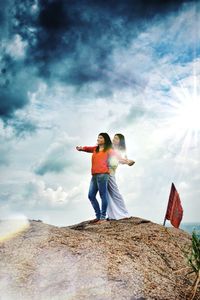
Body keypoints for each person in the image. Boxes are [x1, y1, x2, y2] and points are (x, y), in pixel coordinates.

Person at [76, 133, 129, 224]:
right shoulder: (95, 149)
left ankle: (103, 217)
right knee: (91, 195)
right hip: (94, 175)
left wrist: (126, 161)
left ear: (105, 140)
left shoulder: (109, 150)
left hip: (103, 175)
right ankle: (98, 216)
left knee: (103, 195)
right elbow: (88, 148)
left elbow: (117, 157)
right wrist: (82, 148)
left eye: (100, 138)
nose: (98, 139)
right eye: (98, 137)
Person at [107, 133, 135, 220]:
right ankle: (112, 215)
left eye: (116, 139)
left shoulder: (117, 151)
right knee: (106, 194)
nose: (114, 139)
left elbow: (122, 160)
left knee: (115, 193)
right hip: (103, 172)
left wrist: (128, 162)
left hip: (110, 173)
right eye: (114, 138)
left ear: (120, 142)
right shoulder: (109, 148)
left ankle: (124, 213)